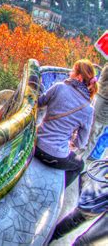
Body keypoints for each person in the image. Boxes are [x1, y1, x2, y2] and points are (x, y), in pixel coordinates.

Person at [36, 59, 98, 188]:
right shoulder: (88, 109)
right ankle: (58, 190)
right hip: (58, 156)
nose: (70, 72)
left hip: (36, 146)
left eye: (73, 70)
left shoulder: (59, 87)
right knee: (79, 165)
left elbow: (39, 103)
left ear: (79, 77)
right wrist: (72, 143)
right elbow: (81, 143)